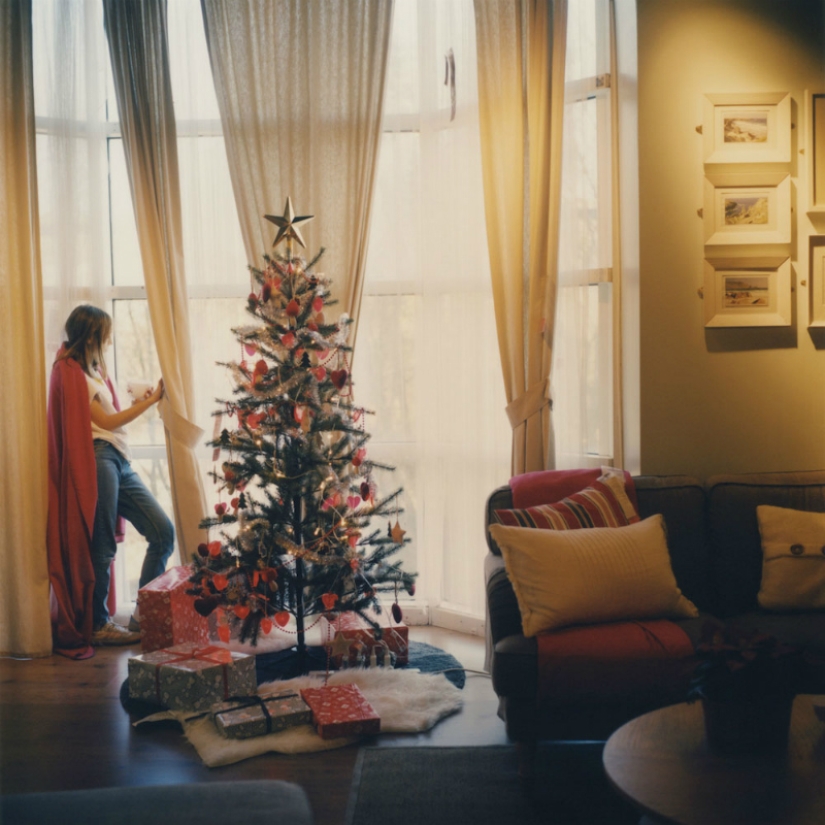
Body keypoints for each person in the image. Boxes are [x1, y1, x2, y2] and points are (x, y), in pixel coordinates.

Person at [48, 304, 174, 649]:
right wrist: (150, 403)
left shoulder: (93, 370)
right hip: (100, 457)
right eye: (106, 332)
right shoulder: (69, 370)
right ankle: (98, 624)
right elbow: (105, 422)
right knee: (101, 545)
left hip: (117, 458)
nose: (110, 338)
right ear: (92, 334)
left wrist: (140, 399)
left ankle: (141, 618)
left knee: (163, 532)